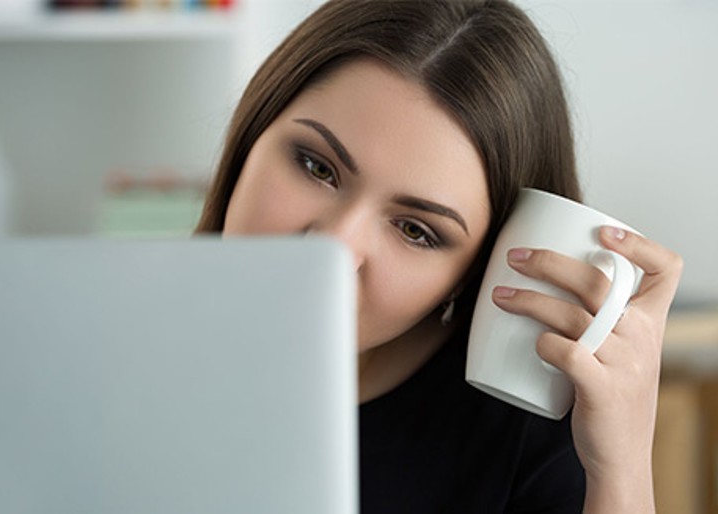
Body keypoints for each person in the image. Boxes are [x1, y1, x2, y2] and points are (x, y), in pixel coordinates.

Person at [196, 1, 683, 512]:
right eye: (317, 167)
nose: (334, 248)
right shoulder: (112, 348)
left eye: (415, 230)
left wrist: (621, 470)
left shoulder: (528, 435)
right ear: (252, 134)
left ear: (472, 272)